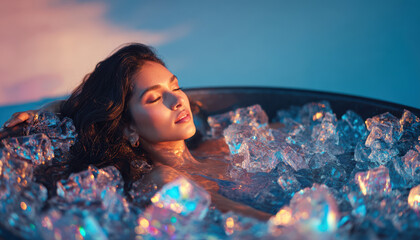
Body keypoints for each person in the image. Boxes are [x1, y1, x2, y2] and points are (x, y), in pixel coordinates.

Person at [3, 43, 272, 220]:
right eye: (154, 99)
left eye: (175, 87)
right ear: (128, 127)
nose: (177, 101)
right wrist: (45, 112)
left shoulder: (220, 146)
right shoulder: (162, 178)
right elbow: (245, 218)